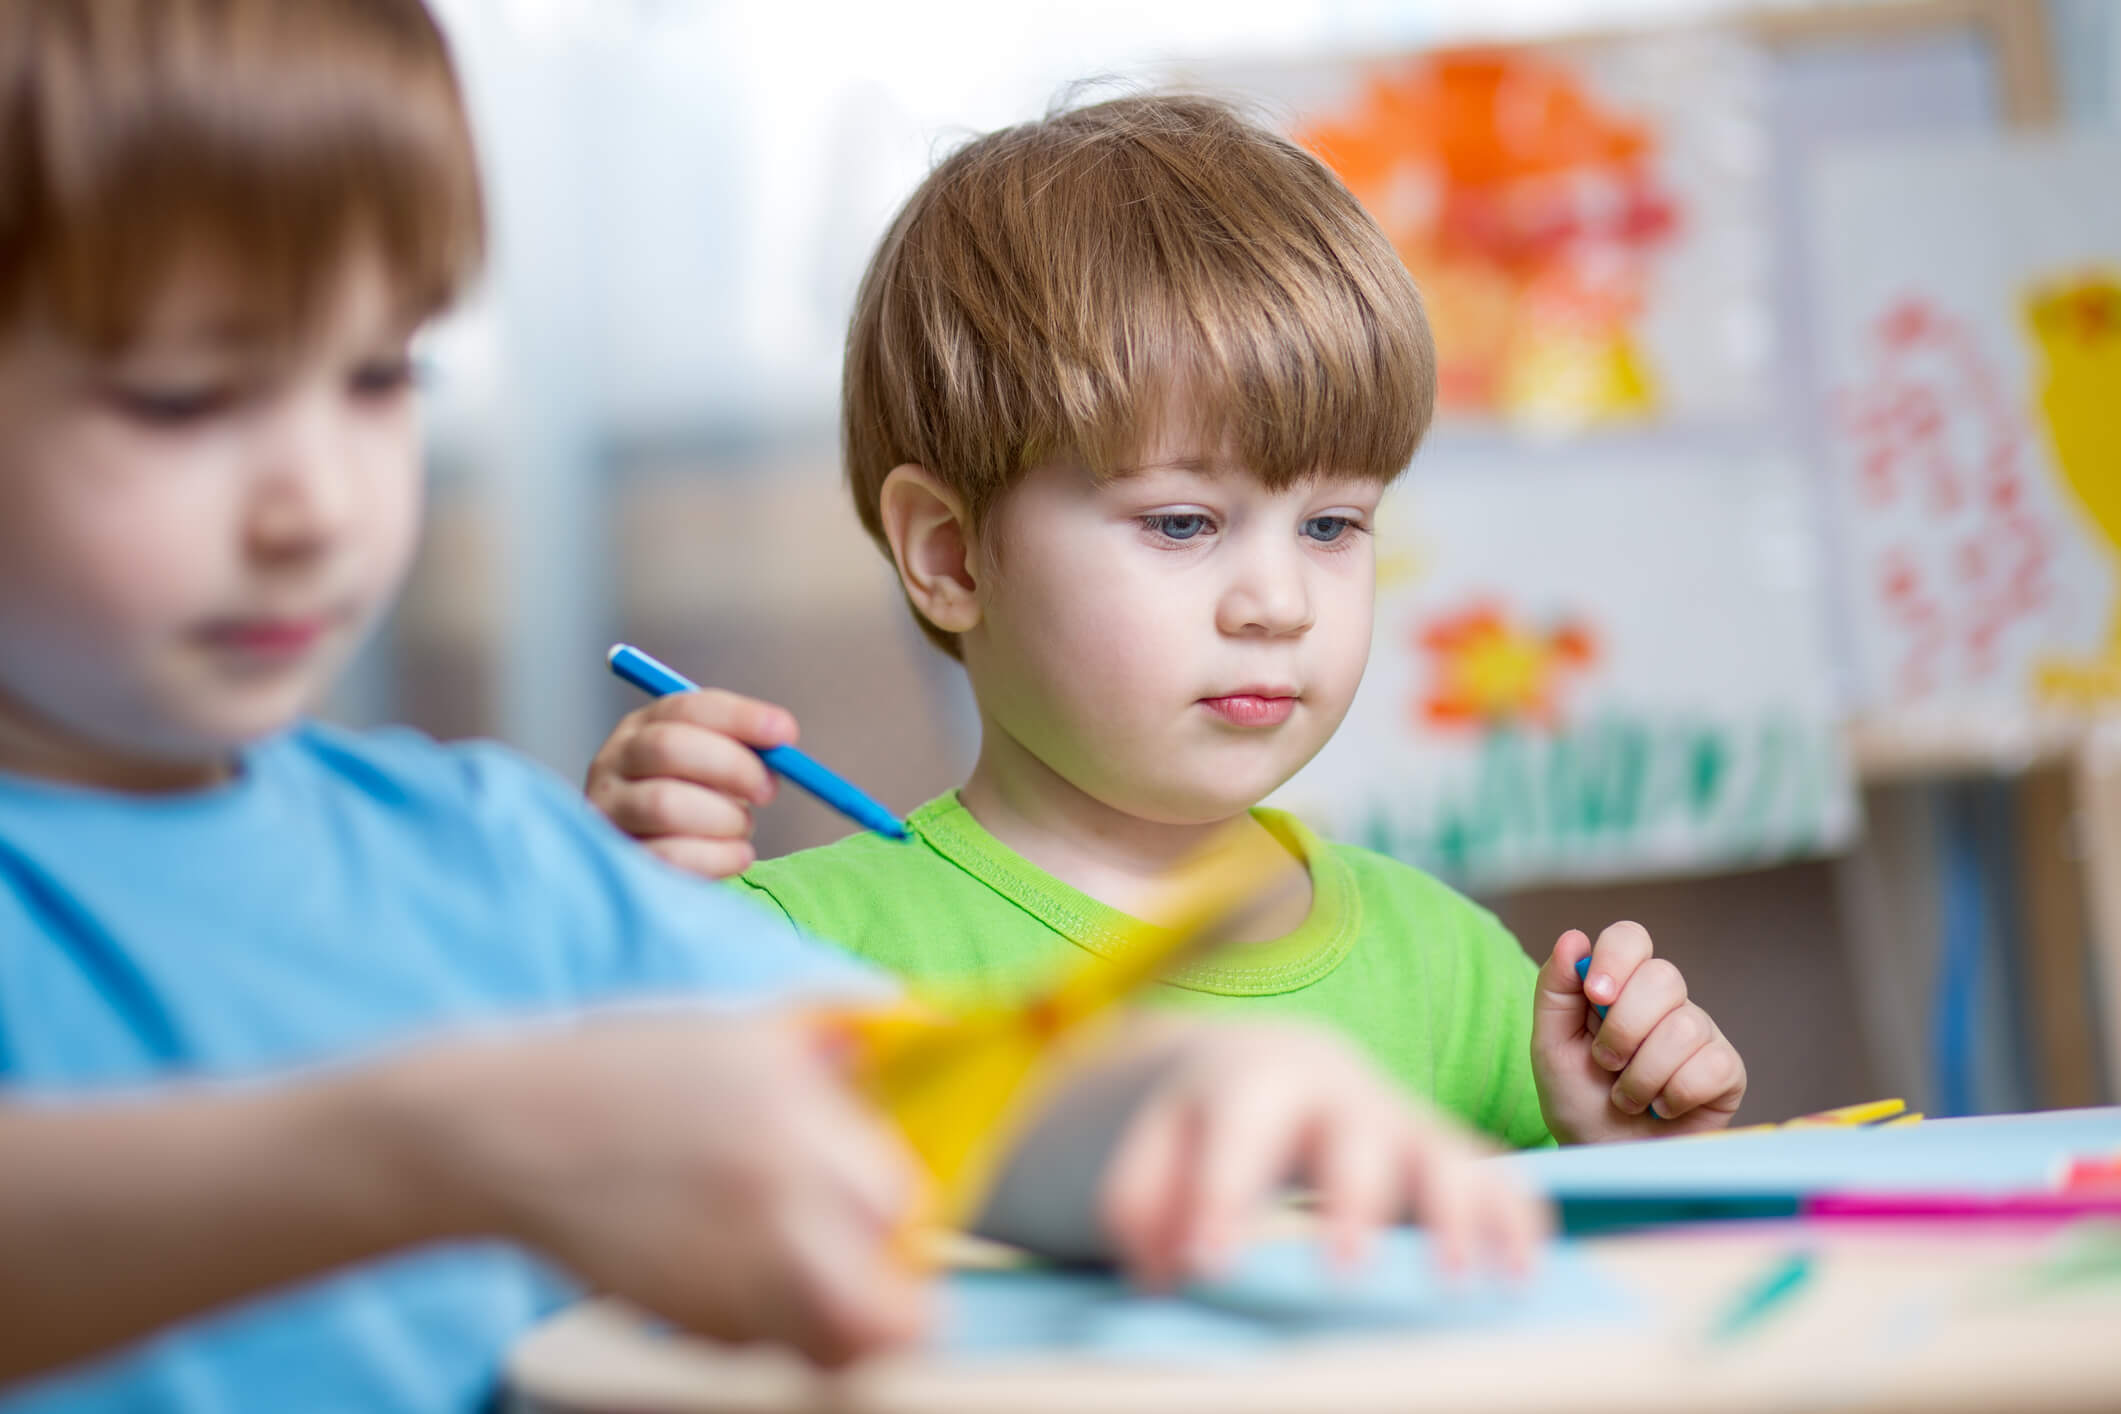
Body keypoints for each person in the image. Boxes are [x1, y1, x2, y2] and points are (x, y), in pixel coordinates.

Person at [0, 10, 1545, 1410]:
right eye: (183, 397)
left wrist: (1177, 1100)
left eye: (376, 378)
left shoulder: (491, 859)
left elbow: (900, 1091)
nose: (314, 502)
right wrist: (433, 1142)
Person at [587, 92, 1748, 1149]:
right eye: (1186, 524)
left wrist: (1622, 1166)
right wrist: (620, 941)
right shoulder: (776, 953)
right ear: (948, 554)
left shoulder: (1457, 973)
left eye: (1334, 526)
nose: (1280, 602)